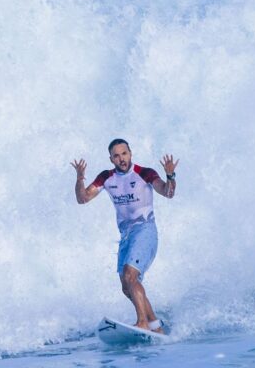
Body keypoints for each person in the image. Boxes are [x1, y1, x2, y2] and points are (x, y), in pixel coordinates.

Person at [71, 138, 178, 333]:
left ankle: (142, 322)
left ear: (130, 153)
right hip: (126, 236)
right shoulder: (106, 178)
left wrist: (170, 175)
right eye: (117, 155)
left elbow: (167, 192)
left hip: (145, 230)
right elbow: (82, 199)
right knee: (126, 286)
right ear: (111, 159)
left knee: (131, 276)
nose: (121, 159)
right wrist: (80, 179)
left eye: (124, 154)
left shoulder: (144, 174)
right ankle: (155, 325)